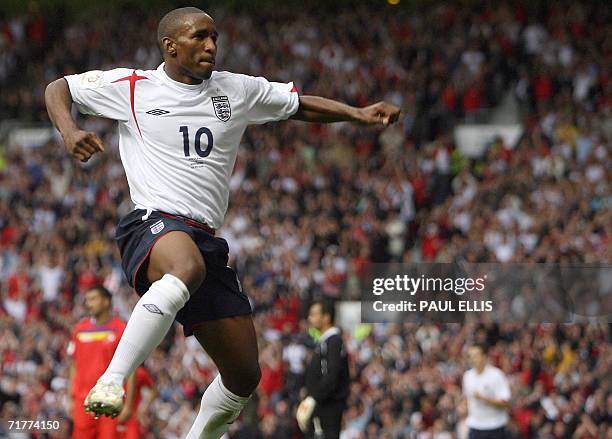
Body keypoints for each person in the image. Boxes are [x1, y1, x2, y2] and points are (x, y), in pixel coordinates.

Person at [45, 6, 399, 438]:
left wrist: (357, 114)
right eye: (199, 37)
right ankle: (113, 379)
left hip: (204, 238)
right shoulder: (134, 86)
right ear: (170, 46)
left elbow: (296, 105)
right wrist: (68, 131)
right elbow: (58, 88)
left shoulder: (236, 89)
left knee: (244, 375)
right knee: (185, 267)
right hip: (152, 224)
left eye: (214, 37)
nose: (211, 46)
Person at [67, 285, 136, 438]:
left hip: (110, 399)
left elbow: (131, 369)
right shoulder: (79, 330)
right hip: (82, 401)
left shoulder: (121, 329)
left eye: (93, 299)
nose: (89, 303)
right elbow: (73, 366)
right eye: (87, 300)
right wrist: (70, 398)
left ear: (106, 302)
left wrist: (129, 405)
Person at [297, 300, 350, 439]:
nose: (310, 318)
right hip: (323, 407)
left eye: (314, 314)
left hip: (327, 408)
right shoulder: (326, 342)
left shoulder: (333, 342)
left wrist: (313, 398)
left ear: (326, 317)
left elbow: (331, 376)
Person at [462, 343, 511, 439]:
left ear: (484, 356)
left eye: (475, 355)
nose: (472, 359)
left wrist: (483, 398)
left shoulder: (496, 375)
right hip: (475, 426)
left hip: (494, 426)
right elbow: (467, 398)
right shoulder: (467, 376)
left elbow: (505, 403)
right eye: (470, 356)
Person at [122, 366, 158, 439]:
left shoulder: (140, 372)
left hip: (132, 418)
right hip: (113, 415)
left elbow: (154, 391)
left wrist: (144, 407)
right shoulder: (115, 368)